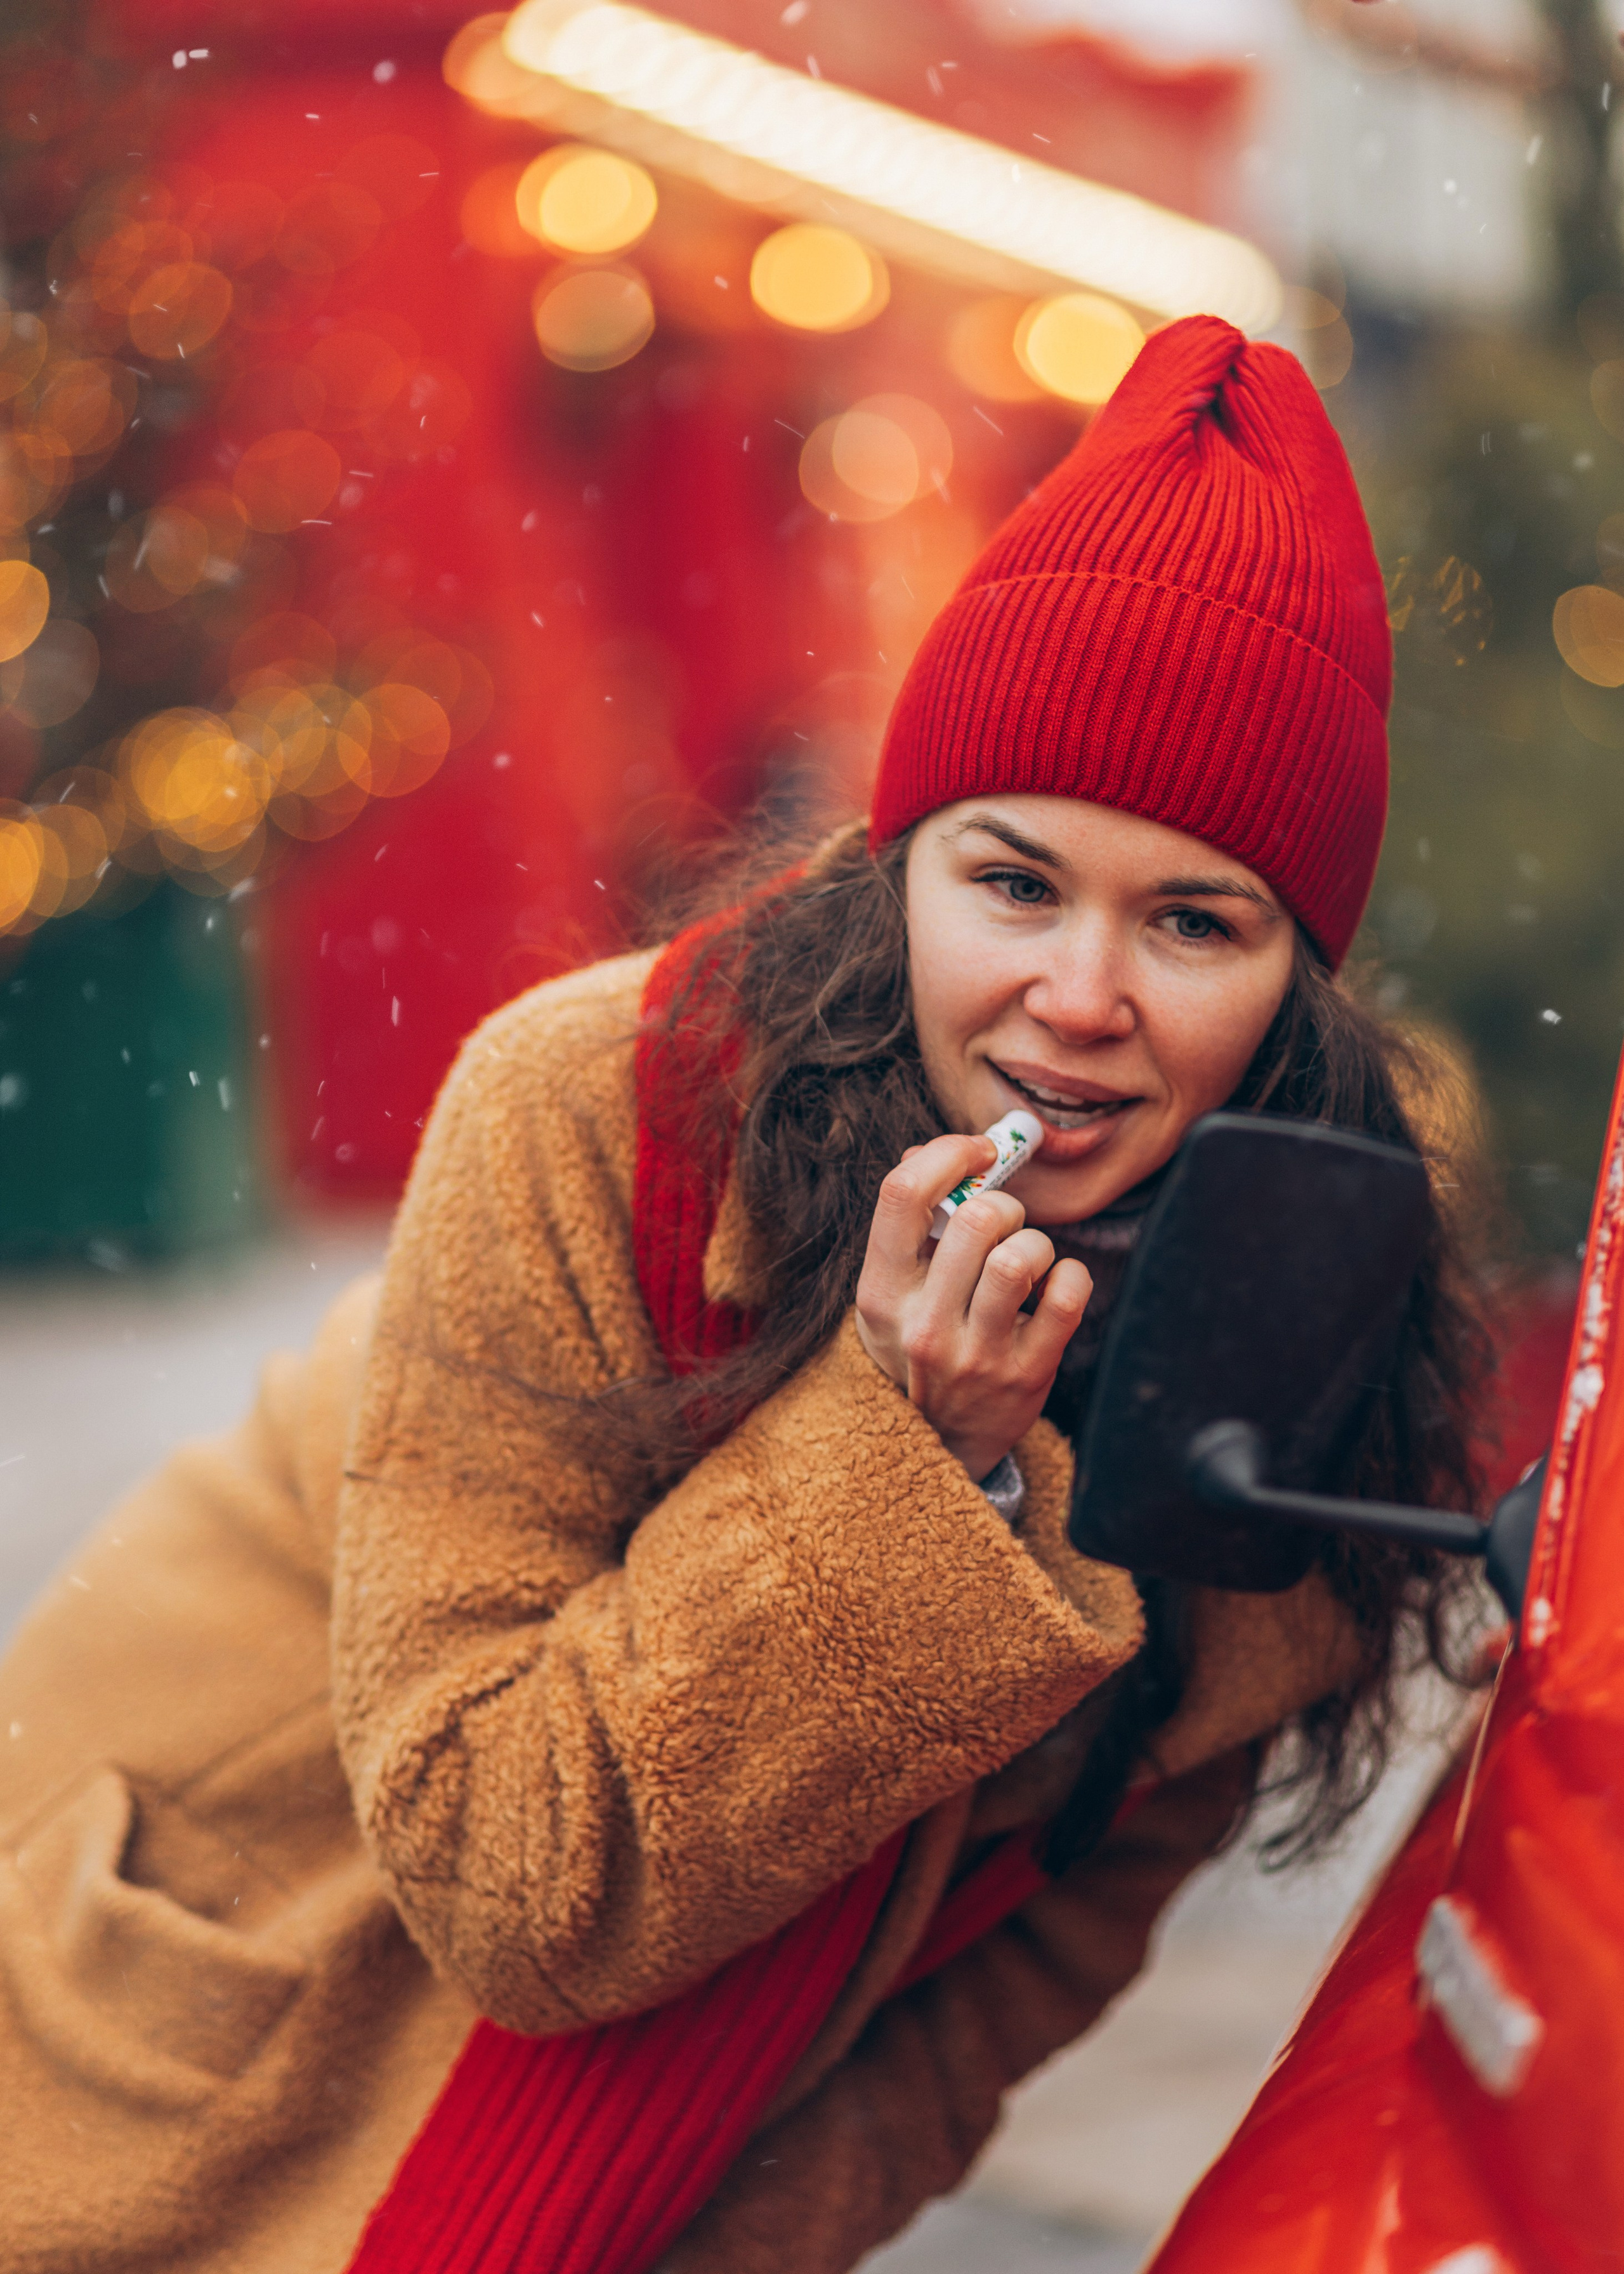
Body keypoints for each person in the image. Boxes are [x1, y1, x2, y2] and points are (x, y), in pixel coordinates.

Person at [0, 317, 1488, 2273]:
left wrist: (727, 2229)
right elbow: (507, 1872)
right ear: (901, 869)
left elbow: (1017, 1980)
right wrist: (902, 1448)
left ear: (1298, 982)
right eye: (1015, 883)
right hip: (220, 2060)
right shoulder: (597, 1107)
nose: (1081, 997)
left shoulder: (1304, 1376)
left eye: (1194, 921)